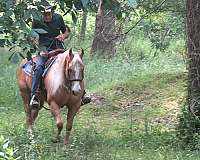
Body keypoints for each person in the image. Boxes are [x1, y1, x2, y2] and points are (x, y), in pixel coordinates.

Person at [29, 5, 91, 107]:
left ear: (52, 12)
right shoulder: (37, 20)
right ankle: (34, 96)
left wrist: (62, 36)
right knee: (39, 67)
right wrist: (37, 46)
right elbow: (32, 37)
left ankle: (82, 94)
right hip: (44, 49)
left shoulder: (58, 18)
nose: (46, 16)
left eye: (48, 14)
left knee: (75, 64)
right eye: (44, 14)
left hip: (58, 47)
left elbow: (66, 32)